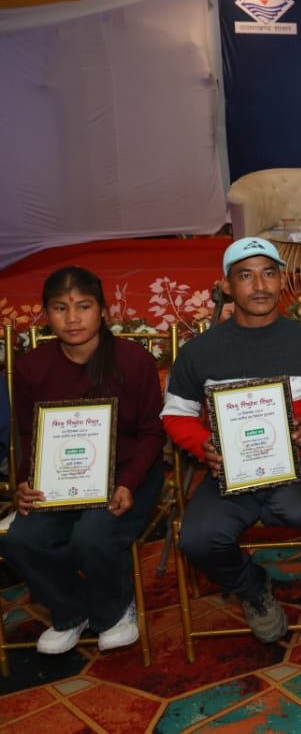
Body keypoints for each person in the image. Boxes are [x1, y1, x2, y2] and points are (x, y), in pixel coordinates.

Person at [163, 238, 301, 644]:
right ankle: (251, 585)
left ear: (282, 281)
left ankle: (266, 505)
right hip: (229, 470)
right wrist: (204, 445)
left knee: (292, 509)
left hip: (299, 465)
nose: (259, 285)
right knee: (198, 540)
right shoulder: (200, 351)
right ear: (226, 287)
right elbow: (176, 414)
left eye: (269, 273)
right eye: (246, 275)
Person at [3, 267, 165, 654]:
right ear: (46, 314)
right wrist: (24, 483)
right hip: (58, 480)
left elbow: (151, 433)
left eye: (83, 306)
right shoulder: (31, 368)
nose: (72, 318)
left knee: (90, 536)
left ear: (104, 311)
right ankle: (72, 611)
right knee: (20, 540)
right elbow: (29, 435)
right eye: (60, 308)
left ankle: (113, 610)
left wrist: (128, 482)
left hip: (129, 476)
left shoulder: (132, 360)